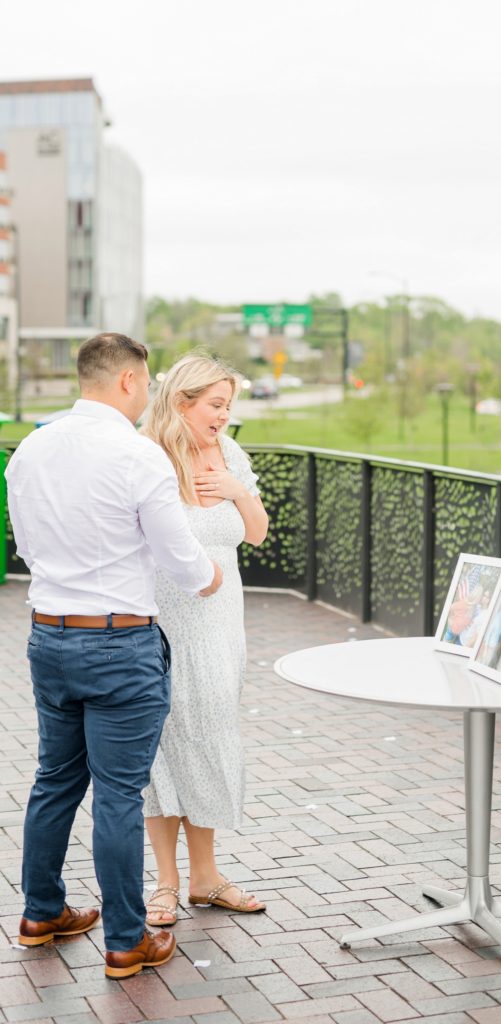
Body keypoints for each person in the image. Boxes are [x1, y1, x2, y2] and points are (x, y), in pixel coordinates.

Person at [5, 333, 223, 979]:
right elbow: (182, 559)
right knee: (119, 796)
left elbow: (26, 547)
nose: (148, 393)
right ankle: (127, 940)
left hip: (49, 637)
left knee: (54, 780)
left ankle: (42, 913)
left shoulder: (30, 449)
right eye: (147, 383)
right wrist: (209, 575)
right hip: (119, 643)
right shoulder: (137, 454)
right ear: (128, 380)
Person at [141, 354, 269, 927]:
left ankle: (206, 877)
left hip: (220, 621)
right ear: (182, 401)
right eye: (216, 405)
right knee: (163, 743)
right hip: (163, 621)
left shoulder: (231, 453)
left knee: (211, 735)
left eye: (228, 406)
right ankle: (165, 883)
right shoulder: (148, 456)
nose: (223, 416)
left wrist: (238, 490)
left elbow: (257, 533)